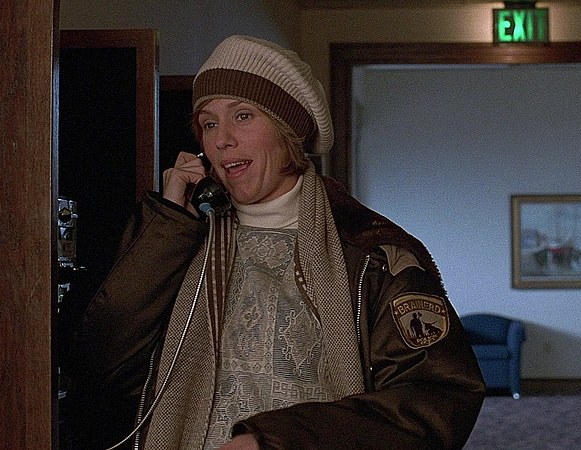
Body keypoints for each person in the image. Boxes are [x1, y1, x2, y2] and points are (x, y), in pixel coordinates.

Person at [73, 35, 485, 450]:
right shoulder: (179, 238)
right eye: (209, 123)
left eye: (243, 116)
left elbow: (436, 398)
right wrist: (168, 226)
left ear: (289, 132)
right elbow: (102, 368)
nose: (222, 139)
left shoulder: (373, 255)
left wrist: (274, 441)